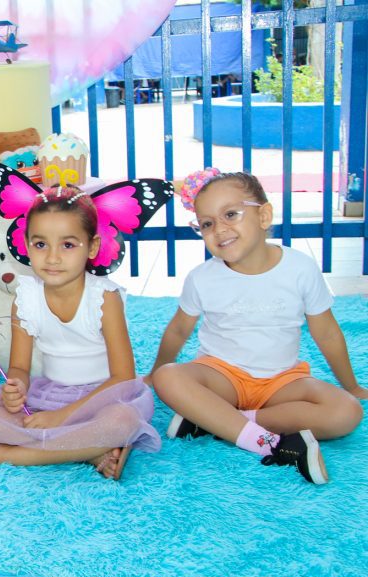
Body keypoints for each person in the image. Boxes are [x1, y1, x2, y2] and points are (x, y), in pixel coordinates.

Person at [149, 169, 366, 485]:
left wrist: (351, 386)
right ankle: (267, 442)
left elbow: (327, 332)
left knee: (347, 412)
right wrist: (154, 372)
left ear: (264, 216)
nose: (219, 229)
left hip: (283, 381)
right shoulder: (202, 278)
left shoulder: (300, 269)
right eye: (207, 224)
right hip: (221, 377)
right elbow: (179, 330)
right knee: (168, 377)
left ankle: (215, 420)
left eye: (231, 215)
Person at [0, 185, 160, 478]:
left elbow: (123, 377)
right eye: (41, 244)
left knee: (123, 421)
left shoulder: (104, 298)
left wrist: (62, 417)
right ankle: (89, 450)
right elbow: (19, 367)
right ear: (26, 245)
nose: (53, 257)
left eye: (68, 245)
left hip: (102, 398)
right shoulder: (26, 298)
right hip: (49, 396)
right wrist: (16, 388)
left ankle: (3, 454)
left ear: (92, 247)